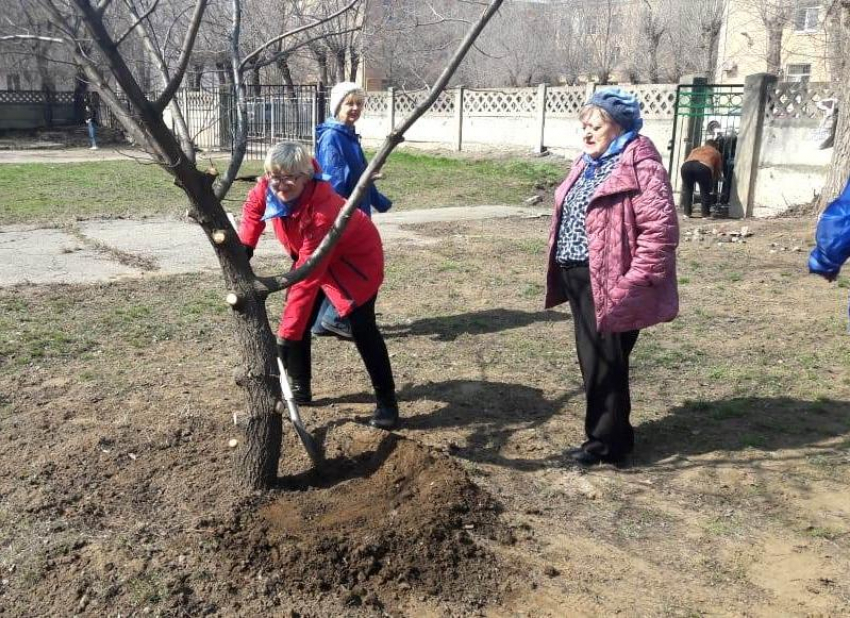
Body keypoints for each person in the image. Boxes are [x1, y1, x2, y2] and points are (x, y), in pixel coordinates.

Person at [544, 87, 679, 466]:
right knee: (605, 361)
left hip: (611, 281)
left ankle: (603, 445)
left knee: (602, 362)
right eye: (583, 126)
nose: (587, 133)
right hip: (579, 277)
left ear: (618, 126)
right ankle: (618, 438)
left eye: (596, 126)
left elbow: (659, 231)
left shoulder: (639, 163)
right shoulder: (589, 161)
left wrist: (632, 282)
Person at [238, 141, 399, 429]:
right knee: (298, 319)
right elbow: (252, 210)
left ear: (307, 176)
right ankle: (301, 386)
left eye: (290, 178)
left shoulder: (322, 210)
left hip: (355, 263)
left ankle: (387, 402)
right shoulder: (268, 184)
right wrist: (244, 247)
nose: (280, 185)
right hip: (311, 256)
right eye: (274, 176)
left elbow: (306, 281)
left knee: (362, 328)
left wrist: (283, 342)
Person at [311, 82, 393, 339]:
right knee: (357, 267)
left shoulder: (348, 134)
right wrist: (338, 218)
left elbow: (361, 176)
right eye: (349, 103)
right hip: (344, 215)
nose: (355, 108)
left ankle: (320, 323)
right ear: (337, 106)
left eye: (359, 103)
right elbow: (333, 182)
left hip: (354, 213)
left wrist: (379, 201)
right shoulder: (333, 137)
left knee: (336, 265)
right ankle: (334, 318)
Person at [680, 139, 722, 218]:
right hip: (702, 167)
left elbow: (688, 159)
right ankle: (705, 214)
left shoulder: (695, 149)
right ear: (715, 146)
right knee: (704, 191)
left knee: (688, 190)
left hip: (686, 166)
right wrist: (717, 178)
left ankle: (686, 213)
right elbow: (717, 169)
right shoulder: (715, 152)